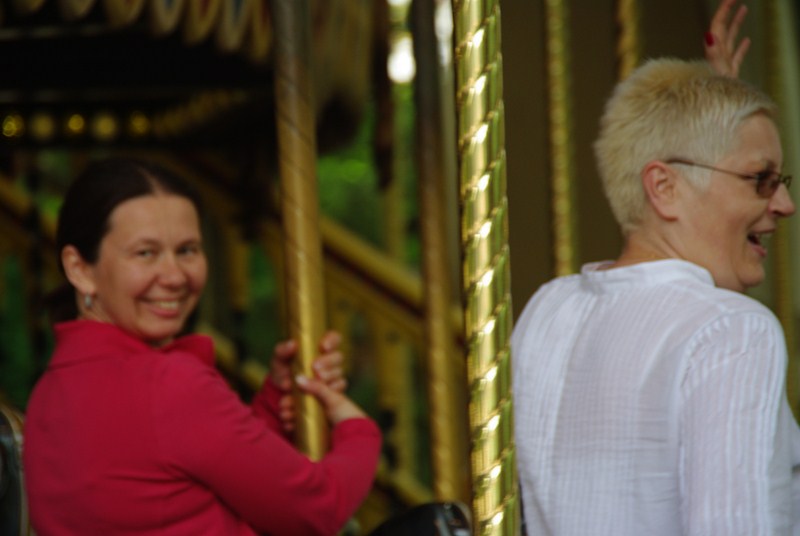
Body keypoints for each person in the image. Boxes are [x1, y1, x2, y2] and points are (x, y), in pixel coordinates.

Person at [512, 22, 800, 536]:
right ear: (664, 187)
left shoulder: (550, 311)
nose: (784, 204)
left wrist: (716, 119)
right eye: (760, 179)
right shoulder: (735, 331)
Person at [23, 157, 381, 535]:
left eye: (187, 250)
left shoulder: (47, 395)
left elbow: (192, 485)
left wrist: (275, 400)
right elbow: (317, 508)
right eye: (145, 253)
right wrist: (357, 428)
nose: (175, 276)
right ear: (80, 269)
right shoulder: (168, 384)